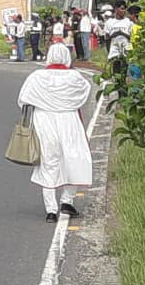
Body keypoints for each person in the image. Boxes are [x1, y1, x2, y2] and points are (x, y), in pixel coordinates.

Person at [18, 44, 92, 222]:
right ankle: (67, 200)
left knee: (49, 163)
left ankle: (51, 210)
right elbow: (83, 96)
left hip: (44, 121)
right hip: (69, 121)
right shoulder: (75, 77)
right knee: (75, 159)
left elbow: (23, 100)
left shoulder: (37, 77)